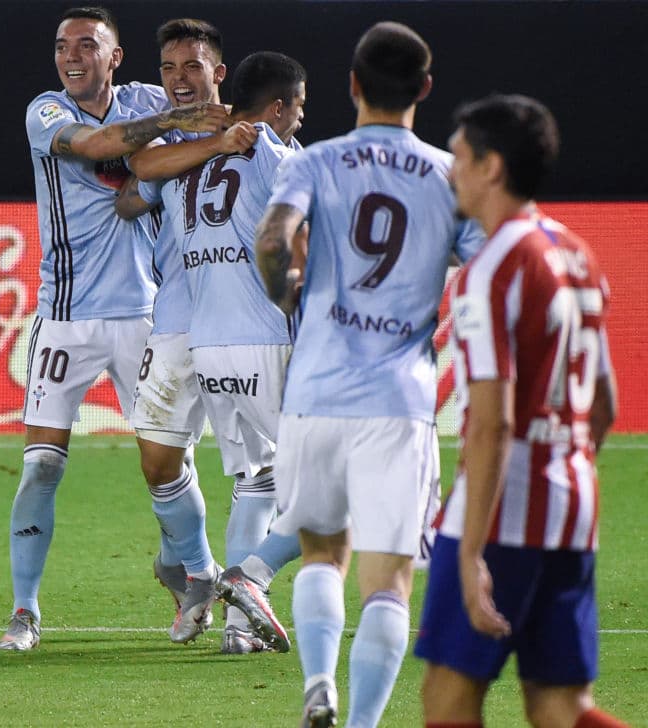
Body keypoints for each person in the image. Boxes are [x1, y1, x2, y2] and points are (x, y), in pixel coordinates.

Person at [254, 22, 484, 727]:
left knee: (323, 552)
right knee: (388, 584)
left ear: (352, 86)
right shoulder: (450, 174)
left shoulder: (313, 161)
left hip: (315, 392)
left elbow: (271, 239)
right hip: (399, 400)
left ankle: (318, 681)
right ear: (425, 89)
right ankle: (360, 723)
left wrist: (286, 289)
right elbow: (485, 261)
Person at [0, 6, 227, 651]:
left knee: (168, 462)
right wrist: (176, 121)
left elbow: (202, 101)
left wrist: (214, 111)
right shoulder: (45, 111)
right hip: (64, 317)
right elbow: (99, 146)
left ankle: (195, 574)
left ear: (115, 56)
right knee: (41, 466)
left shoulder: (148, 97)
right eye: (62, 45)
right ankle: (24, 611)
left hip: (147, 315)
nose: (71, 56)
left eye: (87, 45)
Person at [415, 94, 628, 728]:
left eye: (458, 157)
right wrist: (563, 470)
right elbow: (604, 406)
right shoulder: (577, 252)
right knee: (561, 706)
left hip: (504, 511)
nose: (450, 170)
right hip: (572, 506)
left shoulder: (492, 267)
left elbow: (494, 422)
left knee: (448, 701)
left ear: (492, 168)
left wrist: (471, 549)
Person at [153, 50, 307, 654]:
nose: (301, 114)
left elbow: (134, 194)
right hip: (265, 339)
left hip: (208, 347)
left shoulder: (189, 161)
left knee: (259, 478)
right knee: (328, 486)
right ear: (276, 108)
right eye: (299, 103)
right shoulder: (275, 153)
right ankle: (252, 576)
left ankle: (241, 631)